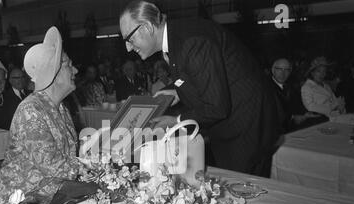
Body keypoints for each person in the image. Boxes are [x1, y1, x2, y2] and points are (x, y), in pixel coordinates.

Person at [119, 0, 278, 176]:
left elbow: (216, 107)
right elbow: (195, 75)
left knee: (242, 190)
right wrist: (175, 91)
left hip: (246, 127)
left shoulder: (192, 42)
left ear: (147, 27)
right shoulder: (178, 36)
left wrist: (177, 121)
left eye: (129, 38)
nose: (127, 47)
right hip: (232, 124)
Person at [0, 26, 83, 204]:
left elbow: (66, 159)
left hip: (52, 196)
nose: (75, 71)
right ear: (54, 72)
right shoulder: (30, 110)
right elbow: (53, 166)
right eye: (69, 65)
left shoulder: (61, 108)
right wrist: (92, 165)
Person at [270, 58, 325, 133]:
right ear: (273, 70)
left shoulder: (289, 87)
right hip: (276, 130)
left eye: (287, 70)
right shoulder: (267, 88)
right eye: (280, 69)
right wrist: (292, 117)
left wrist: (305, 114)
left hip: (292, 126)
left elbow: (297, 104)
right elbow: (271, 113)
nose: (283, 73)